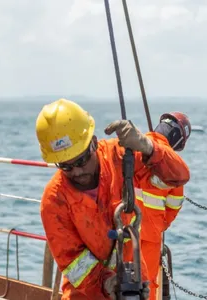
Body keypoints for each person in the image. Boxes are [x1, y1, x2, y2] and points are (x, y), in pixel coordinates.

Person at [36, 98, 190, 300]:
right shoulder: (54, 201)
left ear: (93, 142)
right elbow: (74, 263)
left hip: (135, 287)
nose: (77, 171)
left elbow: (179, 176)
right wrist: (107, 283)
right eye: (66, 166)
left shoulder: (120, 156)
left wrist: (148, 147)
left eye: (81, 160)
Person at [135, 112, 191, 300]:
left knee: (116, 278)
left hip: (123, 229)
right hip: (151, 236)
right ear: (178, 140)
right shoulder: (175, 168)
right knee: (146, 286)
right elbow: (174, 206)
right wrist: (158, 224)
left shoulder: (132, 147)